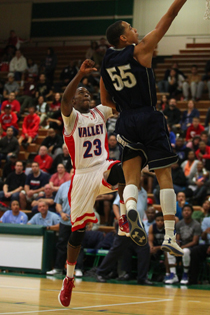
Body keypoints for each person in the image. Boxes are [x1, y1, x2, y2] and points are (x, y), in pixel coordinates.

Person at [100, 0, 208, 260]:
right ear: (124, 38)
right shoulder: (141, 49)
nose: (136, 30)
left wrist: (124, 106)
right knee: (164, 176)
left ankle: (131, 211)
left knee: (131, 178)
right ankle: (171, 237)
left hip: (125, 122)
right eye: (131, 28)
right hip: (148, 116)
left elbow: (106, 100)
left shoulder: (106, 62)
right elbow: (170, 15)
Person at [58, 59, 126, 307]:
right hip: (82, 176)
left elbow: (112, 102)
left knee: (125, 168)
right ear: (74, 102)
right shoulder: (71, 117)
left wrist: (105, 74)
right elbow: (64, 101)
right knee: (78, 233)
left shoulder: (101, 111)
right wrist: (80, 74)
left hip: (101, 167)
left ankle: (125, 216)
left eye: (87, 92)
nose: (85, 94)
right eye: (80, 93)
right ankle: (69, 278)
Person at [46, 170, 84, 277]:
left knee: (78, 246)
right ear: (70, 174)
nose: (75, 173)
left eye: (77, 171)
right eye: (72, 171)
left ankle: (79, 269)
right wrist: (61, 213)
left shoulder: (84, 186)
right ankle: (58, 268)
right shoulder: (63, 186)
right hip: (65, 221)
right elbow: (58, 203)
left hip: (79, 221)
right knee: (61, 245)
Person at [176, 204, 201, 284]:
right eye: (184, 210)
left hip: (191, 246)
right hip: (182, 245)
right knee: (169, 250)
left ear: (192, 212)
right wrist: (177, 245)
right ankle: (172, 274)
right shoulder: (179, 224)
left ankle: (185, 274)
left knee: (185, 251)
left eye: (188, 210)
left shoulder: (196, 224)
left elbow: (195, 241)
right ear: (182, 212)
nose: (186, 212)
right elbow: (178, 238)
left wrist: (183, 247)